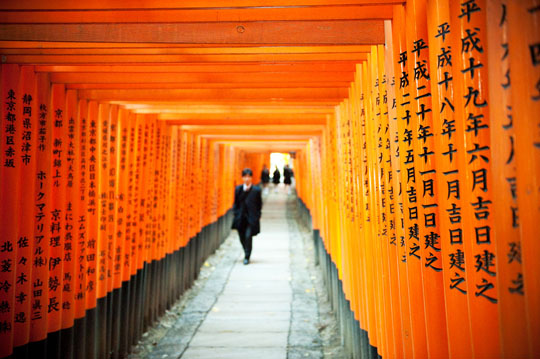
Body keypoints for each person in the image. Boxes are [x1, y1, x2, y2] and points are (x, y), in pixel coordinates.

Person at [231, 168, 263, 265]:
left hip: (251, 218)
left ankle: (247, 256)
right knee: (241, 236)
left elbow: (259, 204)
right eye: (245, 177)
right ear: (242, 178)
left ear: (251, 178)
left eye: (249, 177)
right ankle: (246, 250)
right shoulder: (238, 189)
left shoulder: (256, 190)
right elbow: (235, 203)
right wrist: (236, 213)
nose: (247, 179)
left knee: (248, 236)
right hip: (240, 217)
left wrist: (257, 215)